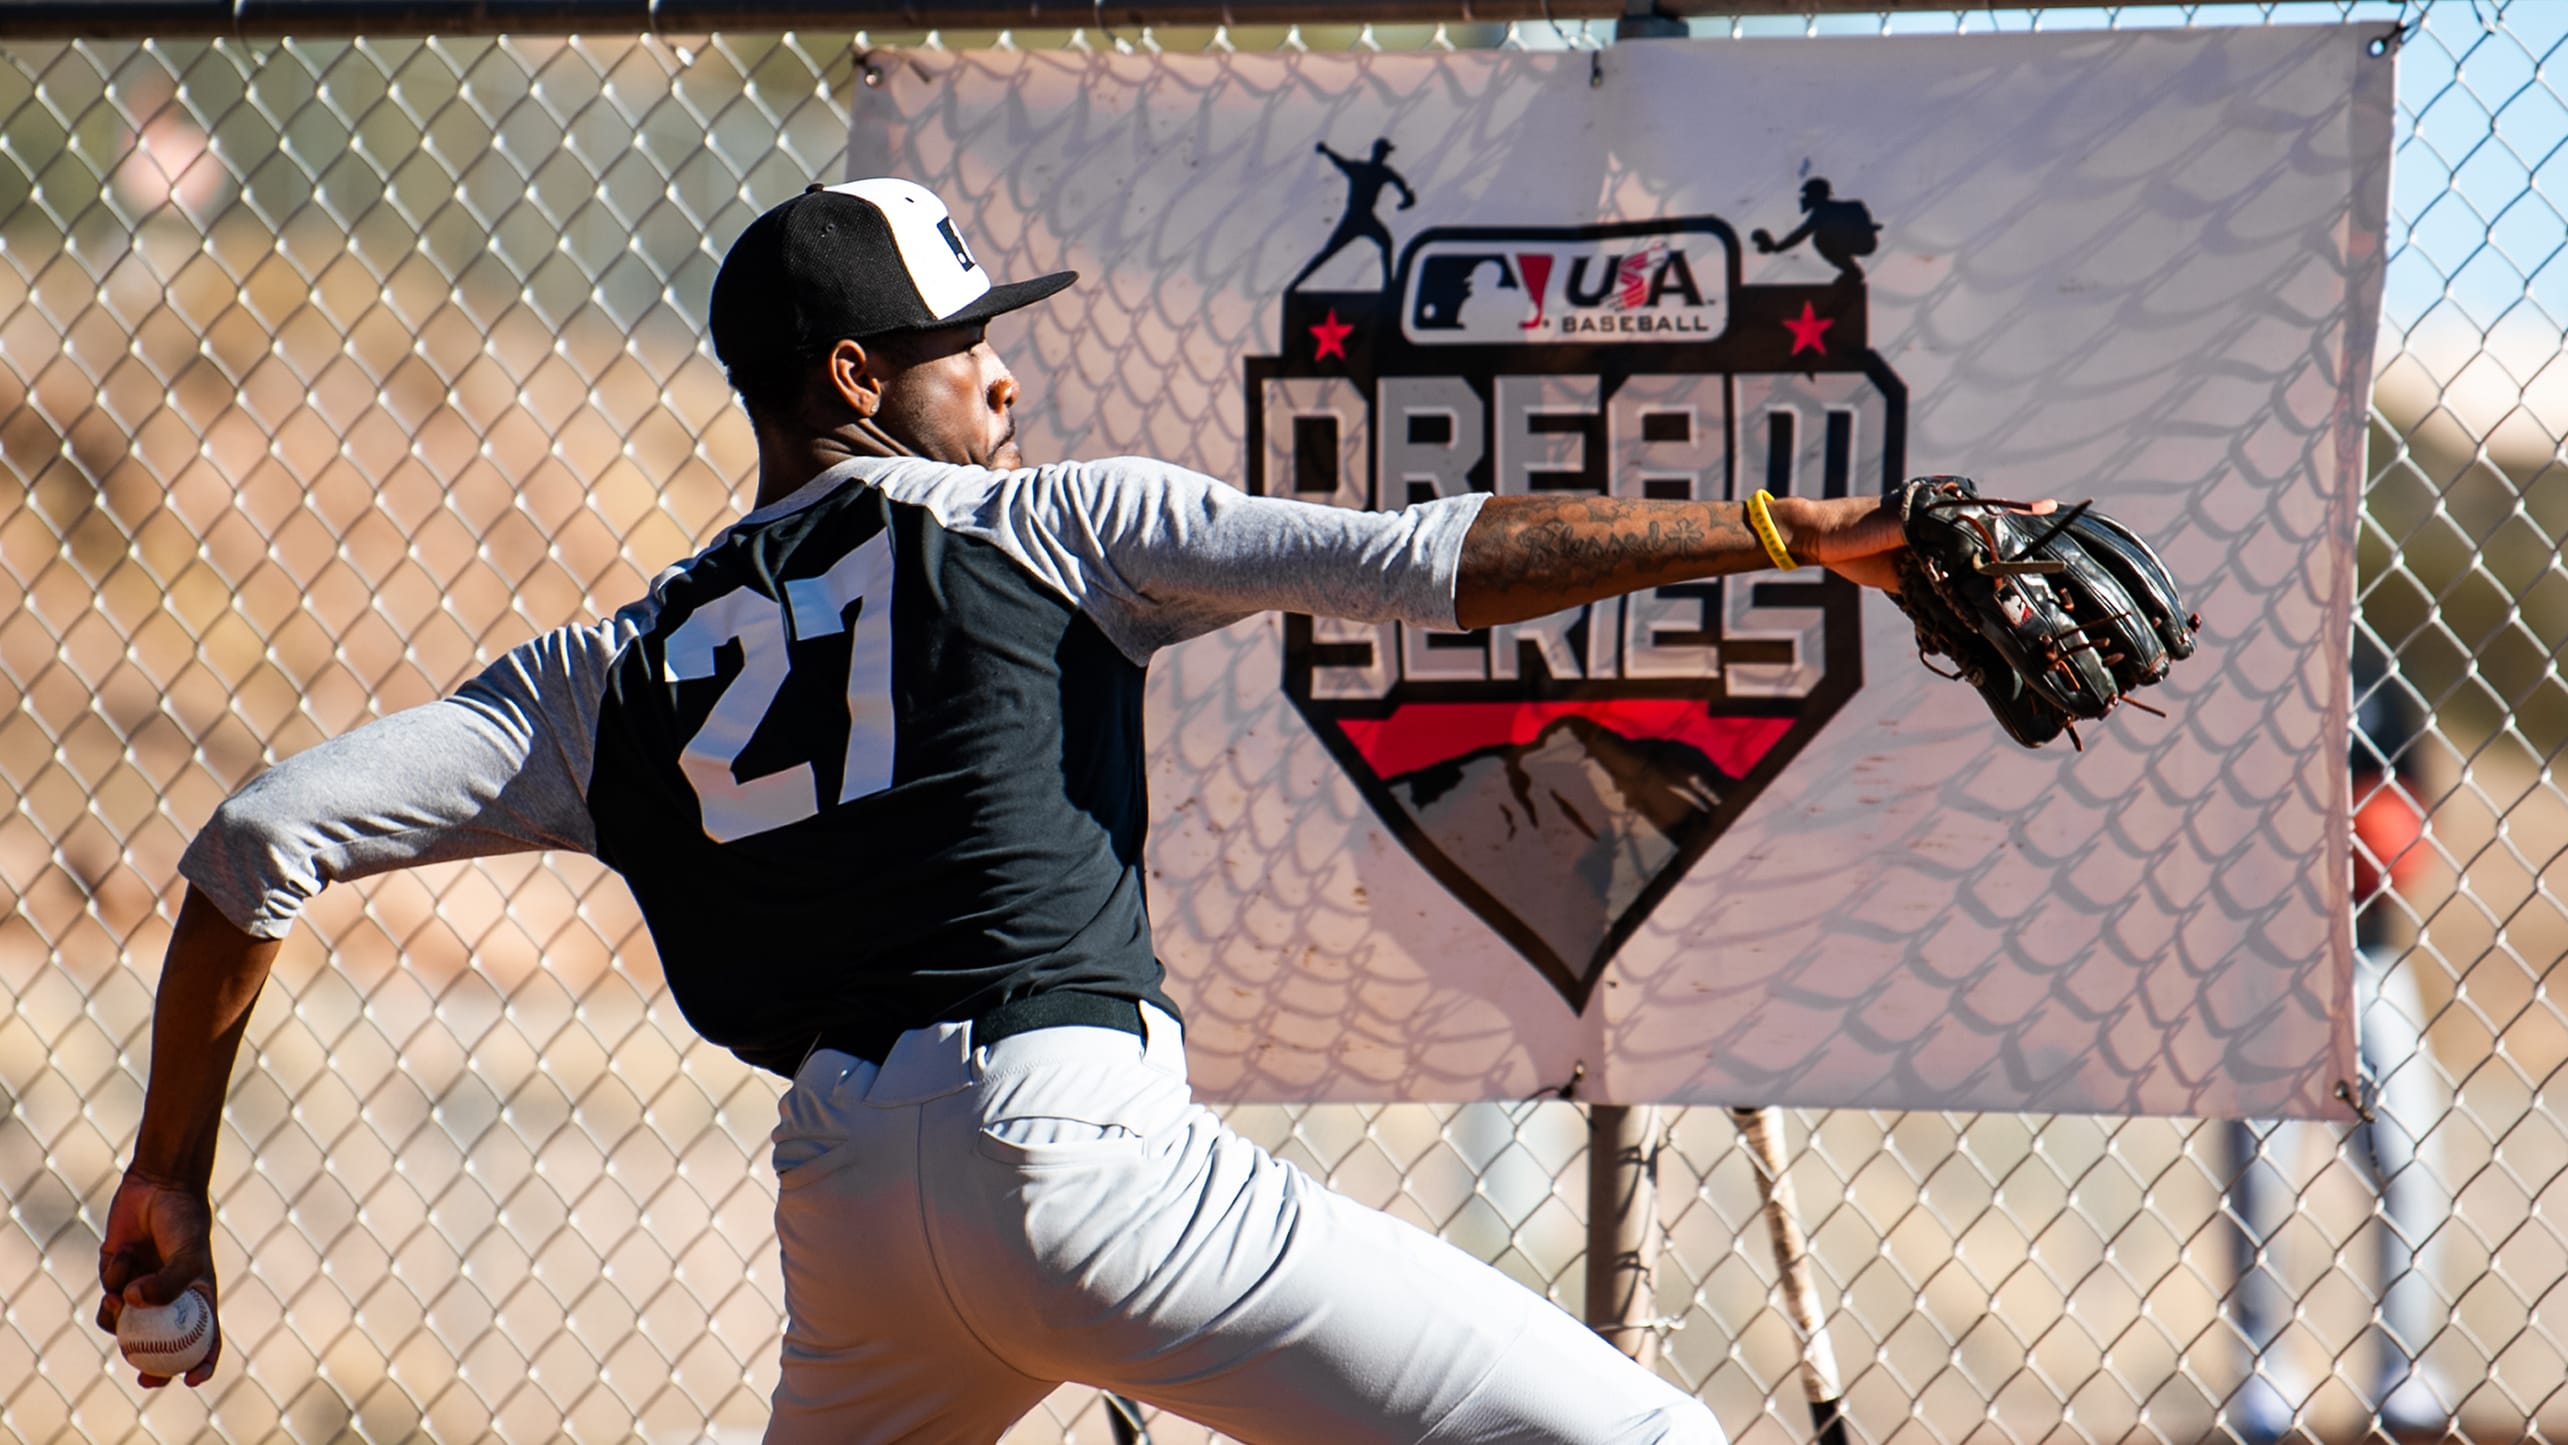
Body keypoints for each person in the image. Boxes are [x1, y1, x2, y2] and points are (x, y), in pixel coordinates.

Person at [94, 177, 1915, 1443]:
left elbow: (261, 840)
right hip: (1074, 1145)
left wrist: (172, 1164)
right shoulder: (1048, 525)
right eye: (963, 340)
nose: (1005, 369)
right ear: (853, 381)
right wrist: (1806, 531)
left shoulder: (613, 666)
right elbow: (1432, 562)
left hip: (847, 1202)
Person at [2221, 643, 2448, 1443]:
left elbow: (2413, 808)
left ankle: (2405, 1366)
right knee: (2255, 1182)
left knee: (2412, 1165)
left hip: (2368, 960)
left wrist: (2370, 831)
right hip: (2264, 964)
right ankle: (2263, 1369)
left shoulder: (2378, 672)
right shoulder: (2238, 662)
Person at [1289, 138, 1415, 292]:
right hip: (1358, 217)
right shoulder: (1378, 171)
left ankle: (1389, 285)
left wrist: (1326, 151)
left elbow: (1402, 187)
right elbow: (1401, 186)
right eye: (1385, 153)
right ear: (1381, 154)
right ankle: (1295, 284)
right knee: (1331, 251)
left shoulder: (1371, 170)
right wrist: (1406, 198)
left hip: (1360, 217)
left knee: (1383, 243)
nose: (1385, 156)